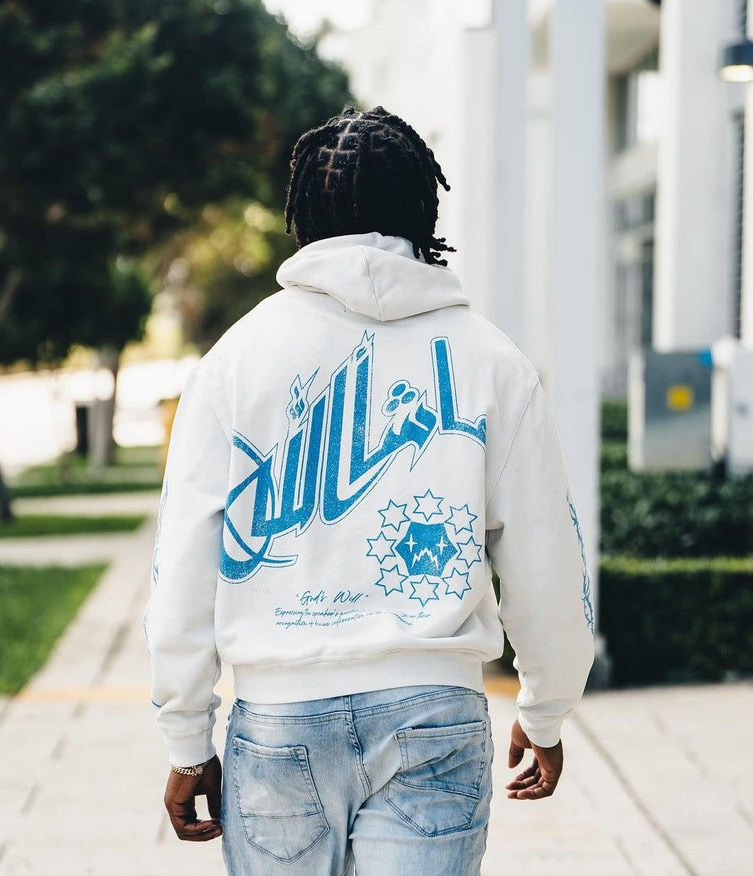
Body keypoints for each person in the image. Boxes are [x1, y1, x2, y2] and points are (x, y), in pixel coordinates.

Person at [145, 106, 595, 875]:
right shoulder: (491, 361)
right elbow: (545, 558)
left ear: (302, 216)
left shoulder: (236, 361)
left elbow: (185, 559)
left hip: (279, 718)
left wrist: (188, 737)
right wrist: (546, 709)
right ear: (423, 209)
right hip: (435, 713)